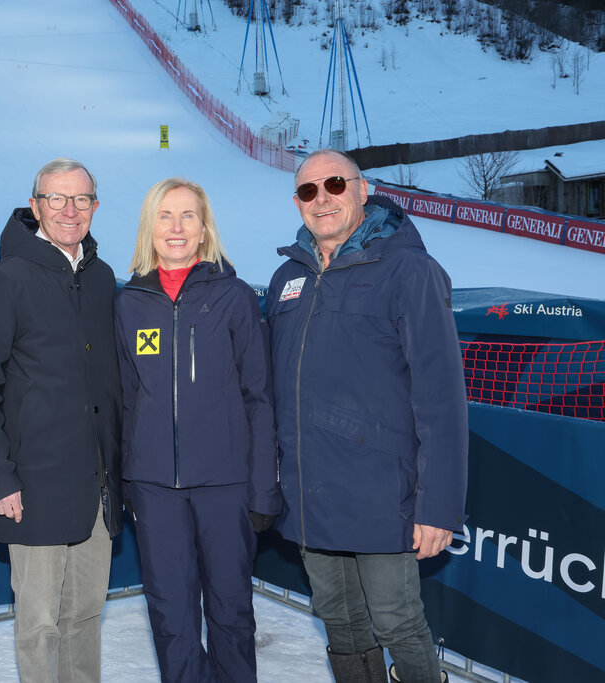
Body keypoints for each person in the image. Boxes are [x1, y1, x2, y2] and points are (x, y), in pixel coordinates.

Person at [266, 149, 468, 683]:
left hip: (382, 493)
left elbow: (442, 397)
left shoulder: (409, 270)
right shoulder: (287, 277)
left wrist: (439, 505)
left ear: (362, 189)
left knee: (398, 622)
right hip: (312, 494)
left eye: (334, 184)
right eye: (309, 191)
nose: (322, 198)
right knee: (339, 621)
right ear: (297, 202)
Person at [0, 158, 123, 683]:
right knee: (39, 626)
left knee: (86, 616)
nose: (70, 210)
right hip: (34, 487)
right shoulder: (3, 281)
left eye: (81, 200)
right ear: (35, 205)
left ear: (95, 207)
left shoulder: (101, 278)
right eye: (57, 199)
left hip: (96, 487)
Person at [113, 178, 280, 683]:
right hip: (155, 487)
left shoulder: (234, 298)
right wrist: (128, 481)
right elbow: (124, 400)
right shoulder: (129, 303)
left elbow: (258, 397)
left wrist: (262, 489)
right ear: (149, 226)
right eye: (165, 215)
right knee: (170, 616)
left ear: (205, 228)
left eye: (188, 215)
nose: (177, 227)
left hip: (224, 485)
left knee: (230, 612)